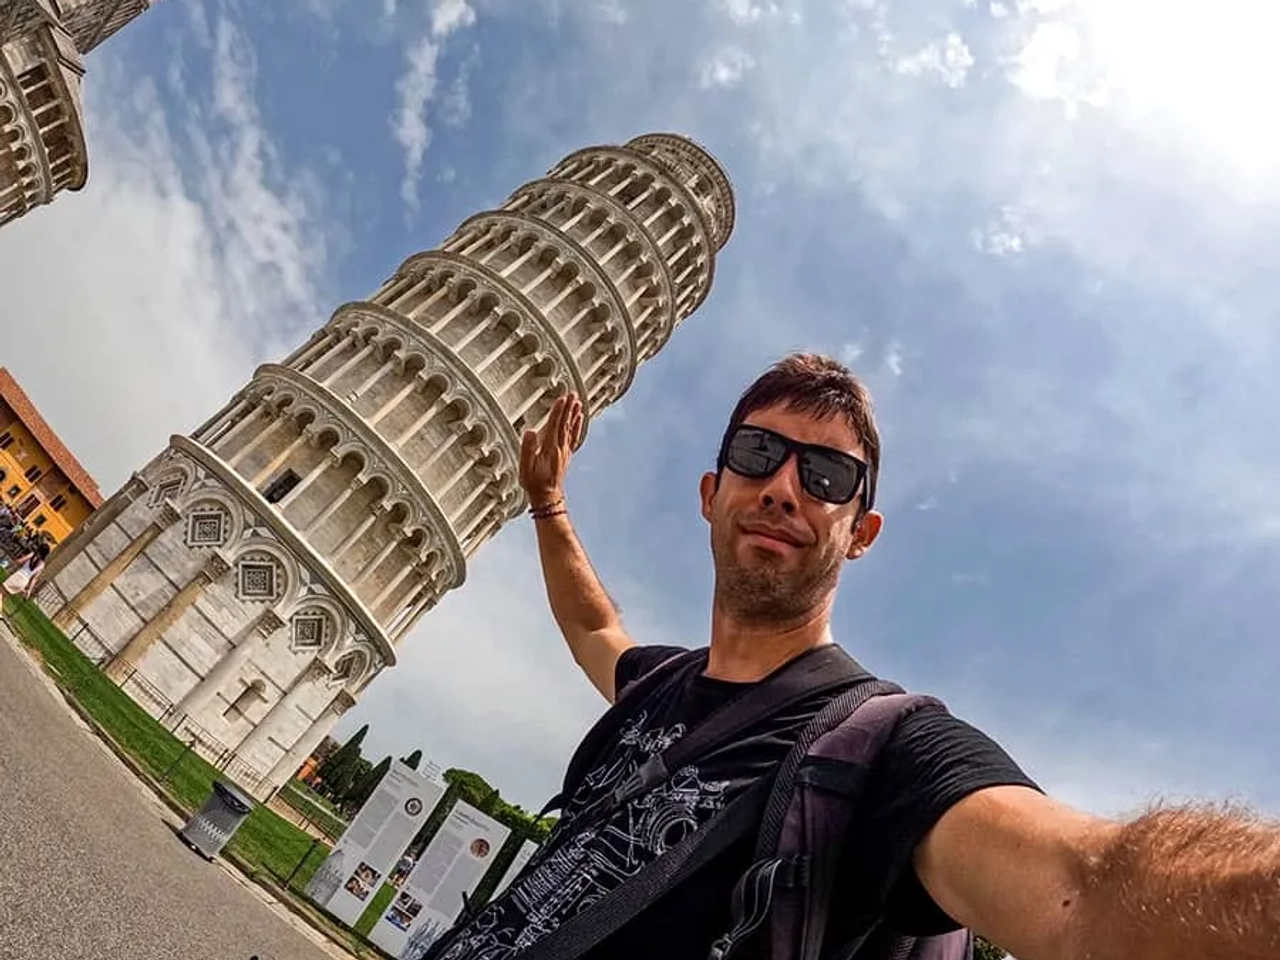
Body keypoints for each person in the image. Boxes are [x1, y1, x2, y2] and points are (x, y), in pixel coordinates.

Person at [433, 354, 1279, 960]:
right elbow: (594, 628)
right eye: (759, 454)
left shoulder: (882, 749)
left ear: (861, 533)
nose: (784, 488)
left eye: (829, 476)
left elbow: (1087, 889)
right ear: (711, 491)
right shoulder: (658, 681)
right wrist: (547, 506)